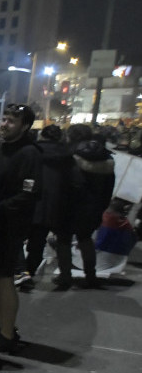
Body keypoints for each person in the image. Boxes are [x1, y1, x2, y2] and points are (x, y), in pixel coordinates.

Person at [0, 104, 41, 354]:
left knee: (4, 276)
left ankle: (6, 334)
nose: (4, 124)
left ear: (25, 126)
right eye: (4, 119)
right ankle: (3, 326)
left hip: (10, 225)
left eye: (12, 121)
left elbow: (29, 193)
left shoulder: (29, 153)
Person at [66, 123, 115, 288]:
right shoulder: (106, 157)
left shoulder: (71, 155)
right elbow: (109, 186)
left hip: (72, 204)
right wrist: (102, 205)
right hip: (95, 206)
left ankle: (65, 275)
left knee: (63, 239)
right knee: (85, 239)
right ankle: (90, 275)